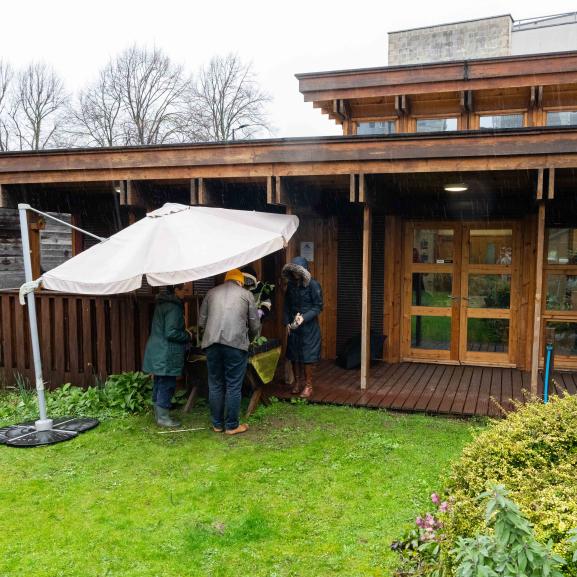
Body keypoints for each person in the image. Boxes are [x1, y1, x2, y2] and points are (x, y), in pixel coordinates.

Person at [199, 269, 260, 435]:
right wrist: (252, 338)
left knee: (215, 384)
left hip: (211, 344)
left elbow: (201, 322)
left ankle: (217, 424)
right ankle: (232, 426)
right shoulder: (246, 295)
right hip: (235, 345)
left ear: (227, 280)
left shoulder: (211, 293)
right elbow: (254, 324)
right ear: (240, 282)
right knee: (233, 385)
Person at [142, 284, 191, 427]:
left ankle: (159, 415)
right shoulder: (174, 307)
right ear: (176, 290)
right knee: (167, 384)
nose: (186, 293)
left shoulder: (162, 303)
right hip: (166, 352)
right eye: (184, 290)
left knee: (159, 381)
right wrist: (187, 335)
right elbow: (171, 333)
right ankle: (163, 418)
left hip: (157, 349)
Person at [282, 256, 323, 398]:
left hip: (309, 328)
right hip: (294, 328)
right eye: (293, 271)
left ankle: (308, 386)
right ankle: (298, 383)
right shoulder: (291, 286)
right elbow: (286, 305)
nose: (295, 273)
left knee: (308, 356)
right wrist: (287, 322)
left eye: (297, 271)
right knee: (294, 354)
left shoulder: (313, 285)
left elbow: (318, 307)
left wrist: (304, 318)